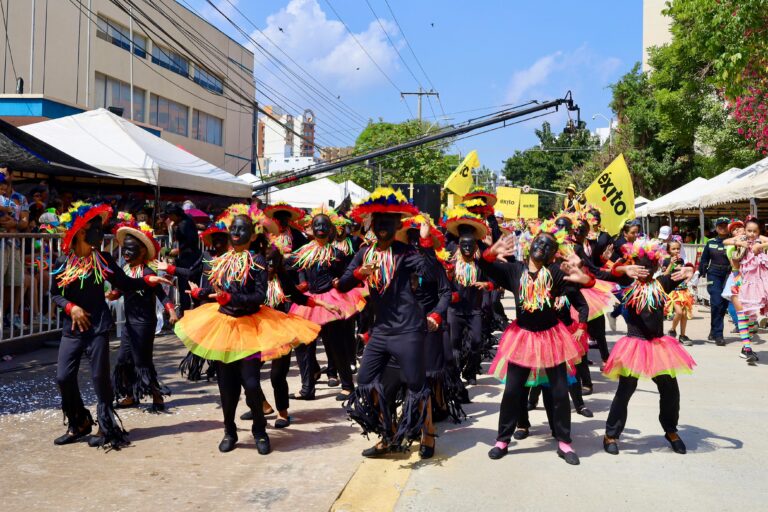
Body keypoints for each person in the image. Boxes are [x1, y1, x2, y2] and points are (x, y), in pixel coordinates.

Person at [173, 204, 320, 453]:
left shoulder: (258, 261)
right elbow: (216, 289)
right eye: (234, 229)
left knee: (251, 384)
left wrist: (230, 299)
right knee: (226, 387)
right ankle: (229, 431)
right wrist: (202, 293)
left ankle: (260, 431)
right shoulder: (223, 260)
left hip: (250, 327)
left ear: (253, 235)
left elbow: (258, 296)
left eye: (242, 230)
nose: (236, 233)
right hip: (222, 326)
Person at [51, 202, 172, 449]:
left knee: (99, 378)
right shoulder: (64, 262)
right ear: (83, 231)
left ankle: (105, 427)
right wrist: (70, 308)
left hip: (98, 328)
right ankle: (79, 422)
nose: (102, 233)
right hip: (72, 330)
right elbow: (55, 293)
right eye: (97, 228)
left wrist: (147, 279)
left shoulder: (103, 259)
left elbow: (125, 282)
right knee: (63, 377)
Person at [480, 226, 595, 465]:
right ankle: (503, 439)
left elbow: (584, 283)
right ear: (530, 245)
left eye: (548, 246)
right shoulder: (514, 270)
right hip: (522, 338)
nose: (541, 247)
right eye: (539, 243)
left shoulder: (554, 271)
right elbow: (485, 265)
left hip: (551, 338)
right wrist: (491, 252)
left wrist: (586, 279)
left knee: (560, 392)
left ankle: (564, 441)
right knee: (512, 391)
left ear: (554, 254)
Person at [337, 187, 435, 456]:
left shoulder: (406, 252)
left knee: (417, 386)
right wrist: (359, 272)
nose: (382, 228)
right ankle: (388, 432)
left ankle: (428, 435)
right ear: (371, 224)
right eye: (378, 222)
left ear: (397, 226)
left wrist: (426, 243)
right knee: (366, 381)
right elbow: (344, 285)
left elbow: (430, 274)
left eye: (388, 223)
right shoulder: (364, 253)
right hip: (381, 331)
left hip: (409, 329)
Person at [602, 240, 695, 455]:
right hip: (633, 346)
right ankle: (611, 434)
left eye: (648, 266)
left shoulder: (661, 283)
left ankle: (671, 430)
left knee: (670, 390)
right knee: (625, 391)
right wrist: (625, 268)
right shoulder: (627, 285)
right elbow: (612, 271)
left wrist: (690, 269)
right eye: (639, 266)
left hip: (658, 347)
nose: (644, 270)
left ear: (655, 267)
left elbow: (687, 270)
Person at [286, 207, 367, 401]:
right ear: (312, 229)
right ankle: (307, 387)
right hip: (310, 302)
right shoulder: (303, 252)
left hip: (331, 301)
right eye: (317, 225)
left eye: (324, 225)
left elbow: (346, 273)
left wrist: (339, 281)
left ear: (330, 229)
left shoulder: (337, 254)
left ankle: (347, 385)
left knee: (336, 344)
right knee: (304, 345)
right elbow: (288, 267)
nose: (320, 228)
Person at [109, 214, 179, 412]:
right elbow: (120, 289)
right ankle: (131, 395)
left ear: (142, 252)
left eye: (132, 250)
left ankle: (157, 397)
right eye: (126, 249)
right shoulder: (125, 270)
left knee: (142, 361)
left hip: (144, 325)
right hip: (129, 325)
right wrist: (112, 294)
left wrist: (171, 312)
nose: (127, 253)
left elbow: (162, 296)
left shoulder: (147, 273)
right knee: (123, 360)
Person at [723, 217, 768, 364]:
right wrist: (739, 242)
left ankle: (745, 347)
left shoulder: (759, 240)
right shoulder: (740, 239)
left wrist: (759, 246)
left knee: (749, 316)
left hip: (755, 283)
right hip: (738, 280)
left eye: (755, 231)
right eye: (749, 230)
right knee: (742, 313)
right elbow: (725, 241)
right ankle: (747, 348)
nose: (751, 234)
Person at [695, 217, 732, 346]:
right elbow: (704, 260)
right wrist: (700, 273)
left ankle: (713, 329)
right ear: (716, 228)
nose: (722, 228)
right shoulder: (710, 243)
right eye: (720, 226)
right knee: (716, 302)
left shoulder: (733, 242)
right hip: (714, 274)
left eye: (725, 225)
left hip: (729, 275)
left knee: (723, 305)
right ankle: (719, 335)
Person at [163, 202, 202, 314]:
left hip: (188, 260)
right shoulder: (186, 219)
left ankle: (185, 313)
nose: (169, 218)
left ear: (175, 214)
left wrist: (177, 251)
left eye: (170, 216)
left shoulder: (183, 224)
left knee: (185, 287)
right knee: (192, 287)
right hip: (192, 258)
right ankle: (195, 311)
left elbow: (191, 242)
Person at [662, 239, 695, 346]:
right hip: (673, 291)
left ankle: (683, 335)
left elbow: (685, 274)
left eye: (678, 248)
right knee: (679, 312)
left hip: (683, 290)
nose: (676, 251)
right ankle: (672, 329)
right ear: (668, 250)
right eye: (673, 249)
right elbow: (664, 276)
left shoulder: (682, 260)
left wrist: (688, 277)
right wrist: (671, 264)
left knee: (685, 314)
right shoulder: (666, 261)